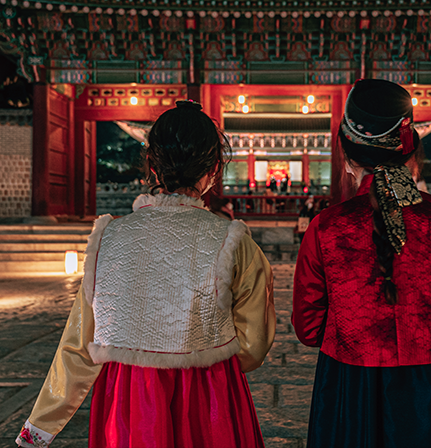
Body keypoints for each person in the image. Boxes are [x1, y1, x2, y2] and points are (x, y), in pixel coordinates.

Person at [17, 100, 275, 448]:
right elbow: (252, 347)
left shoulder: (108, 238)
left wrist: (40, 426)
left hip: (129, 393)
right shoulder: (234, 241)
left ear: (152, 166)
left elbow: (78, 344)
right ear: (214, 169)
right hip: (209, 390)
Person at [292, 79, 431, 448]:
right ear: (410, 150)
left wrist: (355, 335)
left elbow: (308, 327)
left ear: (347, 154)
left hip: (350, 386)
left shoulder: (325, 229)